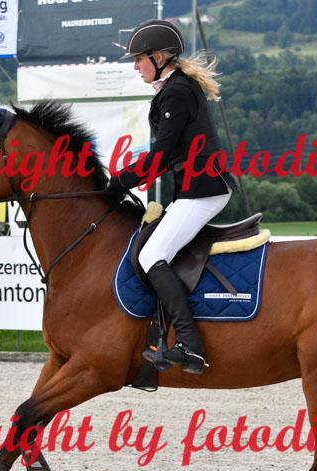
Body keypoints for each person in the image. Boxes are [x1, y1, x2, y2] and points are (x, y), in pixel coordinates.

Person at [108, 19, 237, 375]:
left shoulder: (177, 91)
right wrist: (126, 179)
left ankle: (191, 346)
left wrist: (120, 181)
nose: (136, 66)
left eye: (139, 59)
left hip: (203, 191)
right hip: (195, 189)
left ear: (159, 57)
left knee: (151, 255)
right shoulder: (174, 88)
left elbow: (161, 155)